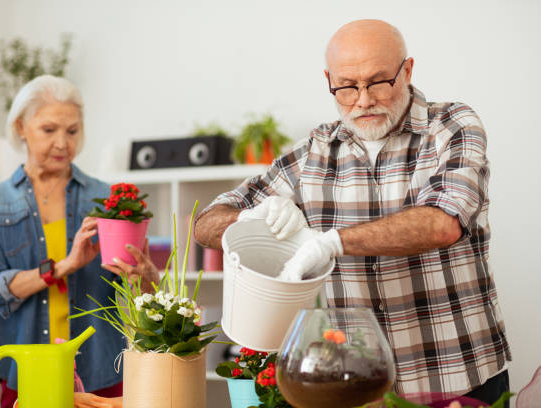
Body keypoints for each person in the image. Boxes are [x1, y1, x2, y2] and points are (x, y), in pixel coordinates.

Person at [195, 20, 511, 403]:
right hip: (356, 386)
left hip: (457, 376)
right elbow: (205, 224)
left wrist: (331, 242)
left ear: (407, 71)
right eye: (347, 86)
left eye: (379, 81)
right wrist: (250, 218)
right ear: (329, 80)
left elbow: (442, 222)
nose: (363, 100)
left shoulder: (450, 126)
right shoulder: (313, 150)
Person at [0, 75, 159, 408]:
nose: (62, 143)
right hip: (26, 367)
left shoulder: (106, 198)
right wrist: (64, 266)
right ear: (21, 128)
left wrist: (144, 276)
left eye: (72, 131)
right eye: (49, 129)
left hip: (101, 369)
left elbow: (141, 296)